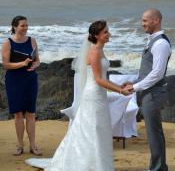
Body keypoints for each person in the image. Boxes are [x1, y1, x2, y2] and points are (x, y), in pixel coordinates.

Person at [25, 20, 129, 170]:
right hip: (93, 95)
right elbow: (99, 79)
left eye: (108, 31)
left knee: (99, 129)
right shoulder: (94, 51)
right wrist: (120, 90)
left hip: (100, 95)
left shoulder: (100, 49)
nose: (109, 34)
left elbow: (102, 76)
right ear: (96, 35)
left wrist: (120, 85)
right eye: (105, 32)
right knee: (91, 129)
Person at [124, 9, 171, 171]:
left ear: (156, 20)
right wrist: (135, 81)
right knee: (153, 132)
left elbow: (157, 73)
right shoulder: (152, 40)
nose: (142, 23)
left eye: (145, 20)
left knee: (154, 133)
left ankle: (158, 168)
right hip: (149, 92)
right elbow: (148, 70)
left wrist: (135, 87)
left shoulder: (161, 43)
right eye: (142, 20)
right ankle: (158, 167)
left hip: (154, 93)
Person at [1, 15, 42, 156]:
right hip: (14, 80)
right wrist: (22, 64)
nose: (25, 28)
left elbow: (37, 60)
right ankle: (19, 146)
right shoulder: (7, 43)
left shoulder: (32, 41)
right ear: (14, 27)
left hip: (30, 79)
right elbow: (6, 64)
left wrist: (34, 65)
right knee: (18, 114)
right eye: (22, 25)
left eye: (26, 25)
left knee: (31, 113)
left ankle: (33, 145)